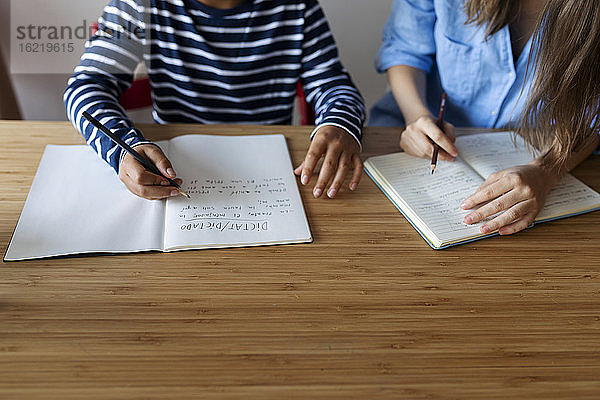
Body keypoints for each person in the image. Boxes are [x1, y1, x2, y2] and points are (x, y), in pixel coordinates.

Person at [65, 0, 366, 201]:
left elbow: (334, 84)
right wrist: (123, 148)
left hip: (272, 172)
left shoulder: (297, 7)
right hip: (170, 166)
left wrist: (340, 124)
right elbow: (87, 86)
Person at [370, 0, 600, 235]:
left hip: (555, 153)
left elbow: (595, 119)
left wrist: (547, 171)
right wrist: (416, 115)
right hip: (403, 137)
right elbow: (404, 50)